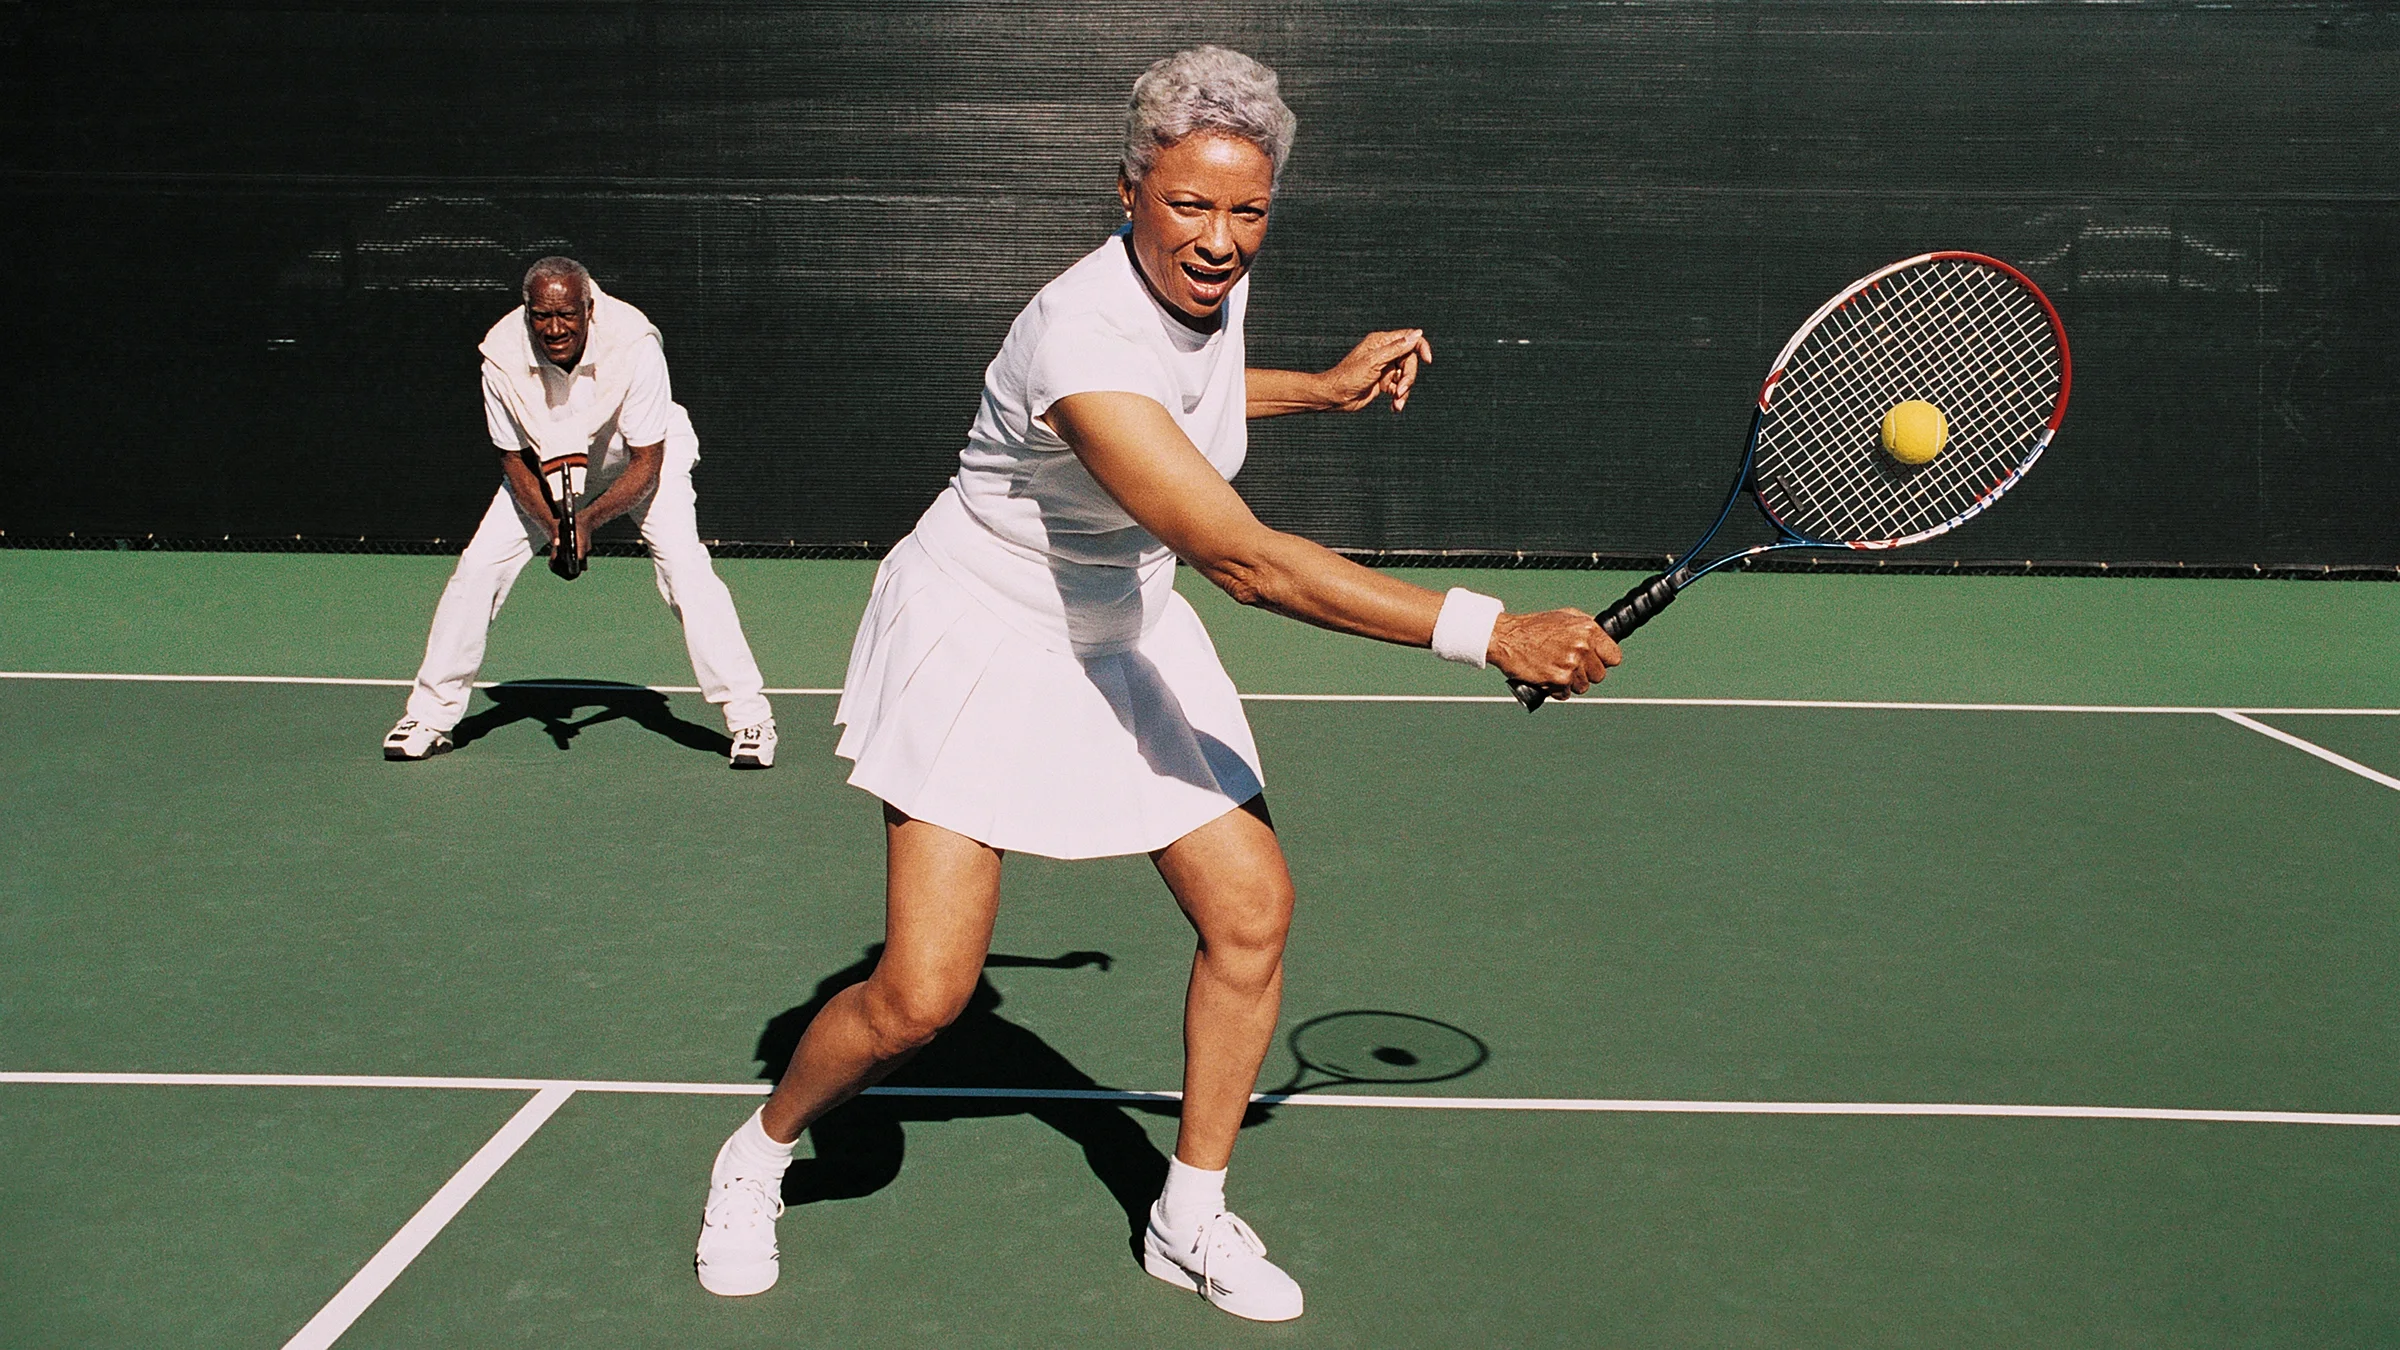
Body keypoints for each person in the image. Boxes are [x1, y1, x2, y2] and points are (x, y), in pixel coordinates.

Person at [694, 47, 1618, 1321]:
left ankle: (1190, 1213)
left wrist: (1318, 387)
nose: (1222, 239)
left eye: (1249, 211)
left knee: (1251, 912)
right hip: (988, 632)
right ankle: (758, 1151)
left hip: (1121, 619)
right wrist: (1490, 629)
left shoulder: (1208, 281)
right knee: (923, 997)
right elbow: (1243, 559)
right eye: (1190, 204)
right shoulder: (1076, 330)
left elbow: (1190, 390)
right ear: (1127, 191)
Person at [382, 258, 778, 768]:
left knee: (685, 568)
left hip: (637, 458)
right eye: (541, 316)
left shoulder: (634, 344)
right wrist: (554, 528)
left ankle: (750, 718)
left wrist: (586, 522)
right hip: (546, 466)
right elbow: (512, 459)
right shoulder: (499, 355)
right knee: (477, 569)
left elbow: (648, 462)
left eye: (566, 315)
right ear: (527, 312)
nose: (553, 328)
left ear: (589, 308)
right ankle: (430, 717)